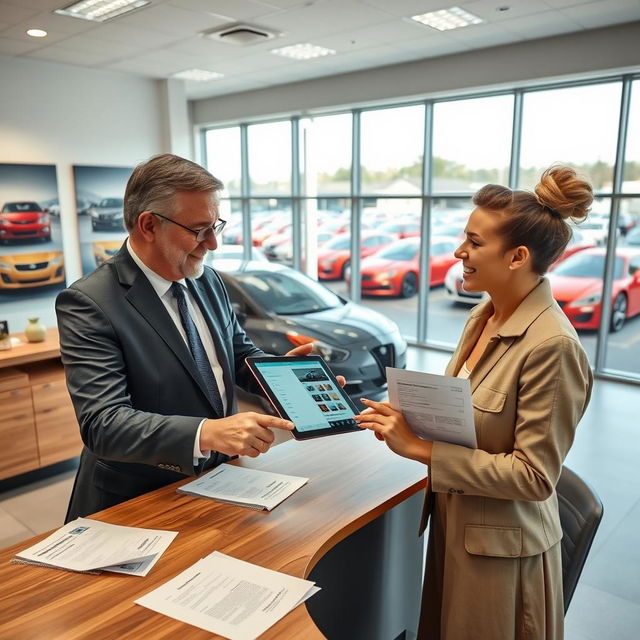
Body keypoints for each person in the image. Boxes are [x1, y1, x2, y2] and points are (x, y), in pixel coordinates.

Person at [356, 165, 594, 639]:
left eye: (474, 242)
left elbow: (534, 476)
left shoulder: (552, 346)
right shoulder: (483, 316)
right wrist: (410, 419)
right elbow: (471, 418)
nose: (459, 251)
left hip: (502, 559)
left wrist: (420, 448)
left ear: (517, 256)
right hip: (459, 528)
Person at [56, 153, 313, 522]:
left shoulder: (206, 279)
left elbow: (237, 355)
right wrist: (206, 432)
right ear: (148, 225)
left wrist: (279, 375)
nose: (212, 244)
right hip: (139, 499)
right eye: (198, 229)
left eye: (215, 226)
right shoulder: (88, 302)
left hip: (222, 480)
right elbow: (104, 423)